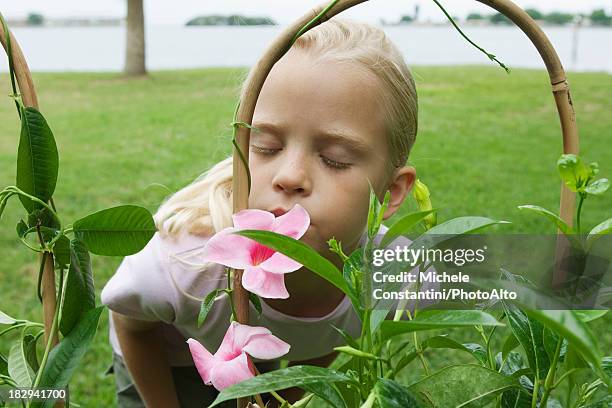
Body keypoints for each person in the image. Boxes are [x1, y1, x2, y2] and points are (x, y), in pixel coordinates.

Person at [101, 18, 418, 408]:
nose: (289, 176)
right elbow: (131, 324)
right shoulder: (184, 262)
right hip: (167, 364)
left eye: (334, 160)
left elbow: (326, 339)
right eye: (267, 147)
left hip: (273, 362)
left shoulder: (393, 274)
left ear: (389, 193)